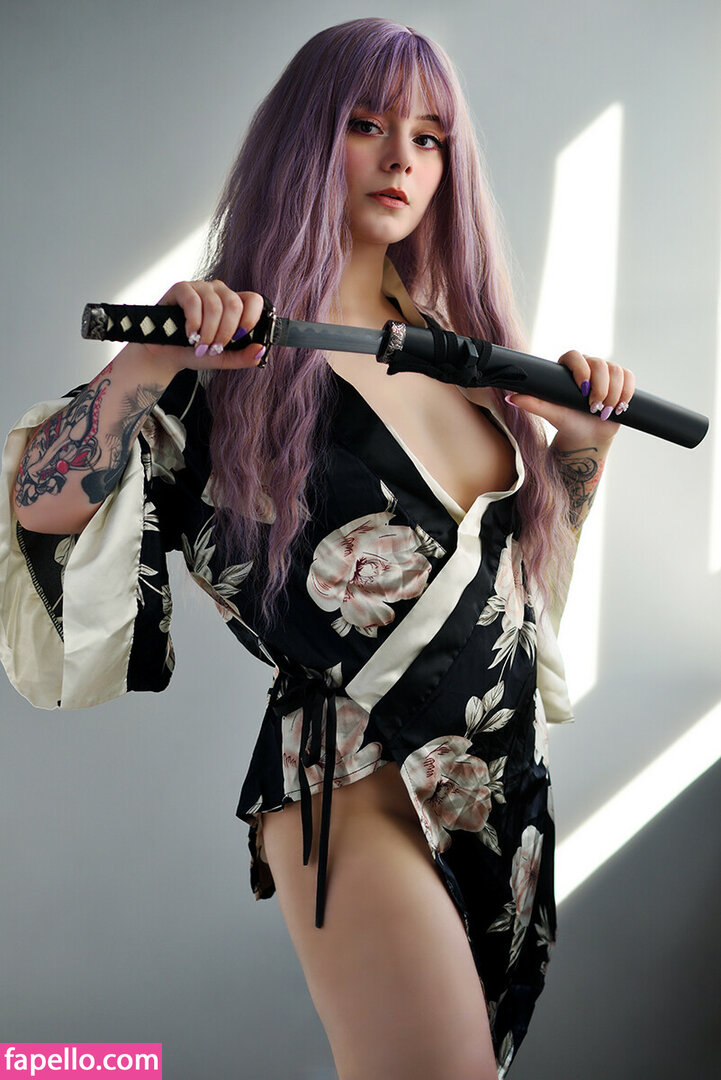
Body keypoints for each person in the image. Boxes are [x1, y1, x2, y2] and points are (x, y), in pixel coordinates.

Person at [0, 18, 635, 1080]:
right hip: (353, 784)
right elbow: (41, 507)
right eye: (366, 124)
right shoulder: (225, 357)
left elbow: (516, 600)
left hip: (498, 790)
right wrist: (148, 363)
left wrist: (580, 451)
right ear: (306, 137)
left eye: (429, 138)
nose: (401, 160)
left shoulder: (460, 352)